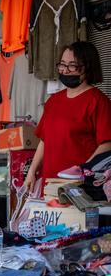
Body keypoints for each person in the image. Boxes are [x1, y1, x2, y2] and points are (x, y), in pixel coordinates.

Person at [25, 41, 111, 191]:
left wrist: (82, 170)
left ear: (87, 68)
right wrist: (31, 171)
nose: (65, 70)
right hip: (50, 186)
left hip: (81, 187)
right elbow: (44, 140)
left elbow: (107, 143)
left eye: (72, 65)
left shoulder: (98, 101)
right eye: (62, 64)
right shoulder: (53, 101)